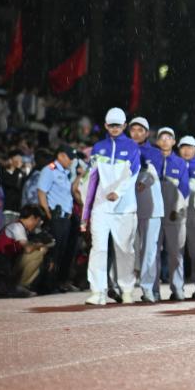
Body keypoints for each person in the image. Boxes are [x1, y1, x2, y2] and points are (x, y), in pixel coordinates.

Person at [80, 107, 141, 305]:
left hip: (124, 208)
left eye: (118, 125)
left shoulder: (132, 147)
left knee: (124, 249)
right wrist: (85, 211)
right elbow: (91, 179)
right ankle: (97, 291)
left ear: (124, 126)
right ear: (106, 125)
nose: (115, 128)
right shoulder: (98, 148)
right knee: (98, 249)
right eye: (111, 125)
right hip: (101, 207)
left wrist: (119, 192)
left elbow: (133, 174)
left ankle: (126, 290)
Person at [128, 117, 165, 303]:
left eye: (140, 130)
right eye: (133, 130)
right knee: (127, 248)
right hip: (128, 207)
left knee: (149, 249)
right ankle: (122, 287)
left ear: (147, 133)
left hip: (152, 208)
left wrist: (143, 180)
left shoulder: (155, 153)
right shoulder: (124, 150)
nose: (136, 133)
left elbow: (153, 173)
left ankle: (148, 287)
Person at [155, 128, 191, 300]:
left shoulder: (180, 163)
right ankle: (153, 290)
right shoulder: (152, 160)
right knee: (152, 253)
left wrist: (177, 209)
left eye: (168, 138)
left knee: (176, 253)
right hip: (154, 214)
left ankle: (177, 288)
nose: (165, 141)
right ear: (157, 142)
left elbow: (184, 188)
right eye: (161, 138)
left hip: (173, 215)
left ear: (174, 142)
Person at [37, 145, 78, 293]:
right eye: (69, 157)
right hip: (55, 217)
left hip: (65, 218)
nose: (71, 161)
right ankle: (47, 285)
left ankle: (57, 282)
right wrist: (48, 214)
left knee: (63, 252)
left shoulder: (66, 173)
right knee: (53, 253)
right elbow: (41, 193)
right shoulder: (50, 170)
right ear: (60, 156)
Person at [0, 205, 49, 297]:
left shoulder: (20, 227)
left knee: (39, 252)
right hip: (2, 266)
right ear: (32, 218)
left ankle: (17, 286)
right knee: (37, 254)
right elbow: (27, 249)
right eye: (38, 221)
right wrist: (40, 246)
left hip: (8, 263)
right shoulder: (17, 227)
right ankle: (16, 286)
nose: (37, 225)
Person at [178, 136, 195, 298]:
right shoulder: (174, 164)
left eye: (190, 147)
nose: (186, 151)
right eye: (183, 147)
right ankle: (177, 288)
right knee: (176, 252)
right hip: (176, 215)